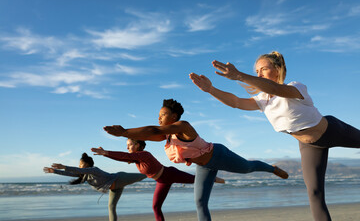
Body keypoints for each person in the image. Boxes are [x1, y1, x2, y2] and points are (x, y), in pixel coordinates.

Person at [189, 51, 360, 221]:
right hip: (310, 145)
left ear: (278, 69)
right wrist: (211, 89)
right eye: (257, 71)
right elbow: (236, 102)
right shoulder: (263, 100)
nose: (259, 74)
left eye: (263, 69)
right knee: (314, 192)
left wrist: (239, 75)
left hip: (332, 130)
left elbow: (276, 88)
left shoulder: (296, 87)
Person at [102, 99, 288, 221]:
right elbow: (151, 134)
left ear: (174, 117)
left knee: (248, 167)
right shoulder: (166, 137)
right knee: (200, 202)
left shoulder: (183, 126)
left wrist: (124, 132)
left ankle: (272, 168)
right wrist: (125, 135)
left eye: (163, 114)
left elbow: (154, 131)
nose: (159, 117)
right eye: (159, 114)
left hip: (219, 155)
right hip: (204, 166)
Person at [91, 139, 225, 221]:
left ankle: (214, 178)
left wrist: (106, 152)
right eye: (127, 145)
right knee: (156, 207)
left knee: (197, 180)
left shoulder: (144, 154)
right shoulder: (136, 158)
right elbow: (123, 157)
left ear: (137, 145)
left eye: (130, 144)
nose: (127, 147)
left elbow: (124, 155)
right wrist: (106, 154)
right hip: (161, 181)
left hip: (170, 174)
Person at [43, 152, 146, 221]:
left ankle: (156, 172)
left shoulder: (94, 170)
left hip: (119, 178)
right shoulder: (85, 176)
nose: (79, 166)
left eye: (81, 164)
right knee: (111, 207)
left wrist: (64, 166)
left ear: (87, 164)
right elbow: (72, 173)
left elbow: (78, 170)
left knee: (144, 175)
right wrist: (54, 171)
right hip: (115, 188)